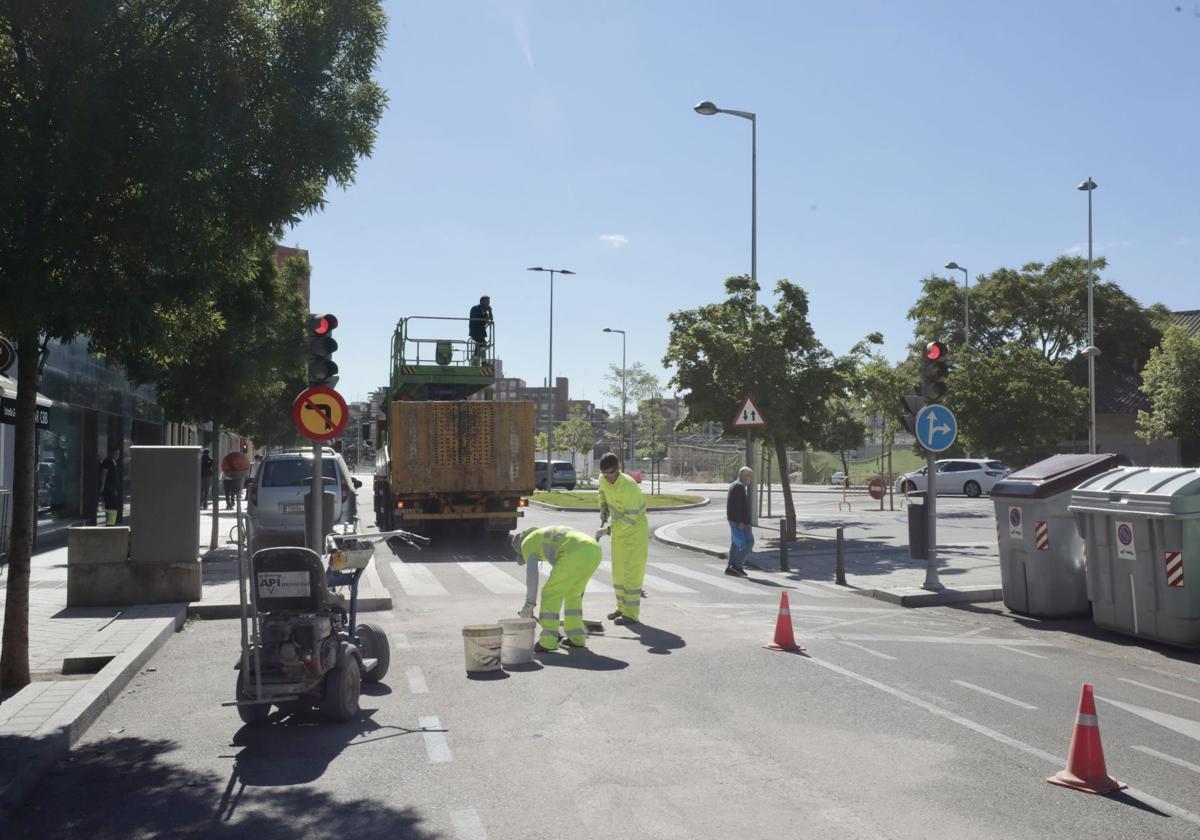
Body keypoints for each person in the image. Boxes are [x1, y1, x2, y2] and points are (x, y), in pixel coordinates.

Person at [513, 525, 602, 652]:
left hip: (574, 552)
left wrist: (529, 605)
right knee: (573, 594)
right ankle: (577, 637)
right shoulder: (541, 535)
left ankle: (548, 641)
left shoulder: (527, 543)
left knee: (550, 593)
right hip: (594, 549)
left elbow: (532, 575)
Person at [595, 452, 649, 625]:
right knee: (618, 573)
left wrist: (608, 530)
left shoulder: (629, 487)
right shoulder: (603, 479)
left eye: (611, 473)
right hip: (619, 535)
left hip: (635, 534)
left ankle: (631, 614)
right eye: (605, 474)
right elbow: (602, 493)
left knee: (631, 574)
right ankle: (621, 608)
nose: (608, 478)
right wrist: (602, 507)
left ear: (618, 469)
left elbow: (630, 519)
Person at [726, 466, 754, 577]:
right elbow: (738, 506)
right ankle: (737, 565)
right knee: (748, 542)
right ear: (743, 475)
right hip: (740, 522)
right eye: (749, 476)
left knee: (736, 543)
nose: (750, 479)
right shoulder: (739, 487)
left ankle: (731, 566)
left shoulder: (735, 485)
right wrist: (740, 521)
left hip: (735, 520)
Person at [98, 447, 123, 526]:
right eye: (115, 453)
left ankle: (111, 522)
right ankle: (110, 522)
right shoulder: (107, 461)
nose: (117, 455)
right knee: (110, 504)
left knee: (114, 505)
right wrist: (102, 486)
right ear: (111, 453)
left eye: (118, 454)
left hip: (114, 488)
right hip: (109, 487)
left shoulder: (114, 462)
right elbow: (104, 474)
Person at [468, 295, 493, 361]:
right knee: (482, 344)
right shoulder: (475, 308)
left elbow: (490, 319)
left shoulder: (485, 310)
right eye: (487, 301)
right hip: (475, 331)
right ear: (482, 301)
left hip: (481, 332)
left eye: (488, 302)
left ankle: (475, 358)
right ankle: (483, 361)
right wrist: (485, 313)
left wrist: (490, 312)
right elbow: (478, 319)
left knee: (479, 345)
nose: (488, 303)